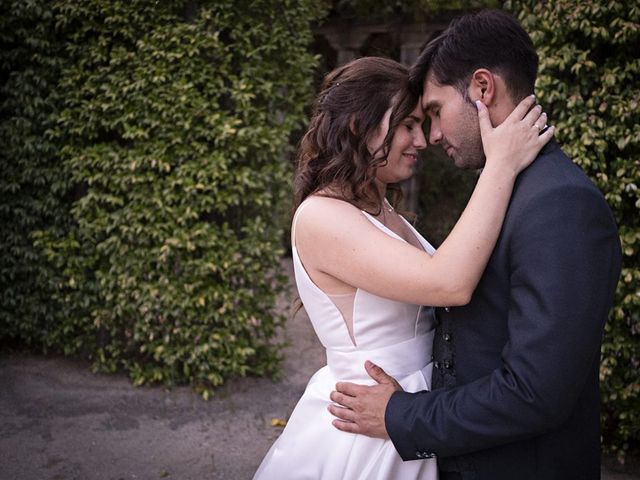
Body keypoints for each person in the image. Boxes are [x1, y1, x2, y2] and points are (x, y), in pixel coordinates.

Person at [328, 10, 622, 480]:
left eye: (434, 113)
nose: (432, 136)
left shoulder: (562, 204)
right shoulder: (506, 187)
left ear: (483, 89)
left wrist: (401, 416)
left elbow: (535, 392)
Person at [254, 54, 552, 479]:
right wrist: (501, 163)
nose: (422, 139)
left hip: (410, 412)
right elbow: (448, 282)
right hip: (365, 427)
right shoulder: (321, 216)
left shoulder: (382, 208)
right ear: (359, 125)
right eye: (407, 125)